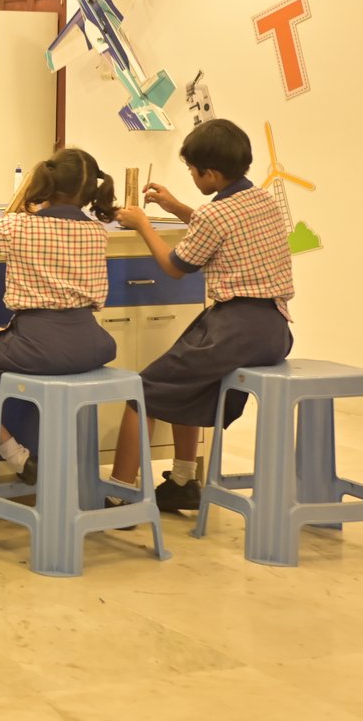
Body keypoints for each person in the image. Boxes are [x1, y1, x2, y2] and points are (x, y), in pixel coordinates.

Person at [108, 119, 293, 512]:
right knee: (185, 383)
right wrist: (175, 207)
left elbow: (175, 266)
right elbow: (222, 227)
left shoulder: (214, 215)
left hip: (233, 329)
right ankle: (181, 480)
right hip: (275, 328)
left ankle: (119, 494)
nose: (192, 176)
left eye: (193, 171)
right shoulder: (264, 200)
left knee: (142, 390)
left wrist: (143, 224)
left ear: (210, 174)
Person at [0, 148, 119, 485]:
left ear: (46, 182)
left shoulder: (19, 226)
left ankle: (18, 457)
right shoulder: (98, 232)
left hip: (38, 344)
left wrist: (23, 209)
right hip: (91, 344)